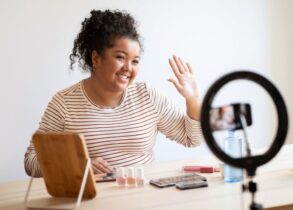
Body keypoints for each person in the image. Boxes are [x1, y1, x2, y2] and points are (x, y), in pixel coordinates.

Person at [24, 9, 202, 177]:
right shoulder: (64, 103)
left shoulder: (147, 96)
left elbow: (192, 139)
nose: (128, 68)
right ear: (96, 58)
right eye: (120, 57)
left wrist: (193, 99)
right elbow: (31, 161)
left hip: (143, 196)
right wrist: (77, 165)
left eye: (135, 61)